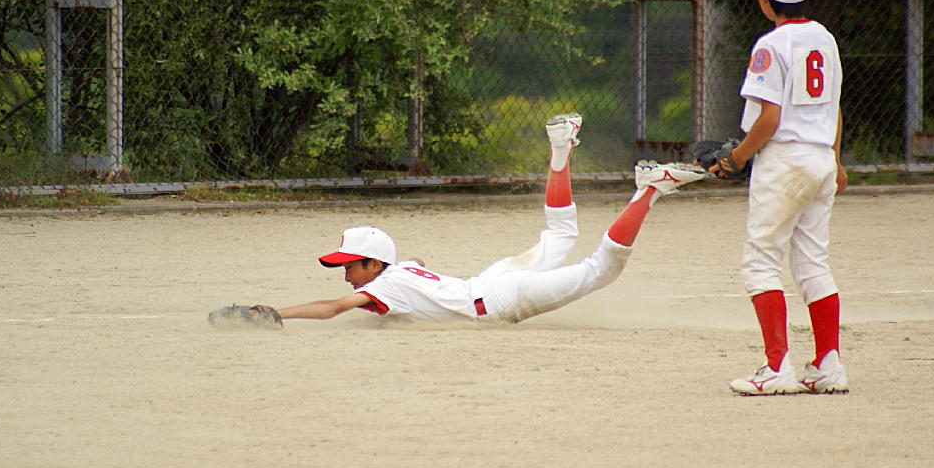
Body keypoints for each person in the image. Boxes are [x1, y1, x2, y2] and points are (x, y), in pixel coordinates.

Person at [256, 114, 704, 325]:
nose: (345, 274)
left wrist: (276, 312)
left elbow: (331, 308)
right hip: (492, 282)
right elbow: (414, 262)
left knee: (600, 270)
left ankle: (649, 189)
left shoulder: (383, 287)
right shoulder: (400, 271)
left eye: (351, 265)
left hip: (500, 297)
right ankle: (560, 146)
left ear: (374, 265)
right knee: (561, 232)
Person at [711, 0, 849, 395]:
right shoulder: (825, 38)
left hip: (785, 161)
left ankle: (776, 368)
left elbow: (769, 119)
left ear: (764, 0)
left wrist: (737, 157)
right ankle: (828, 364)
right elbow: (834, 107)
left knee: (761, 261)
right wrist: (836, 158)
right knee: (813, 262)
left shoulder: (770, 46)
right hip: (820, 157)